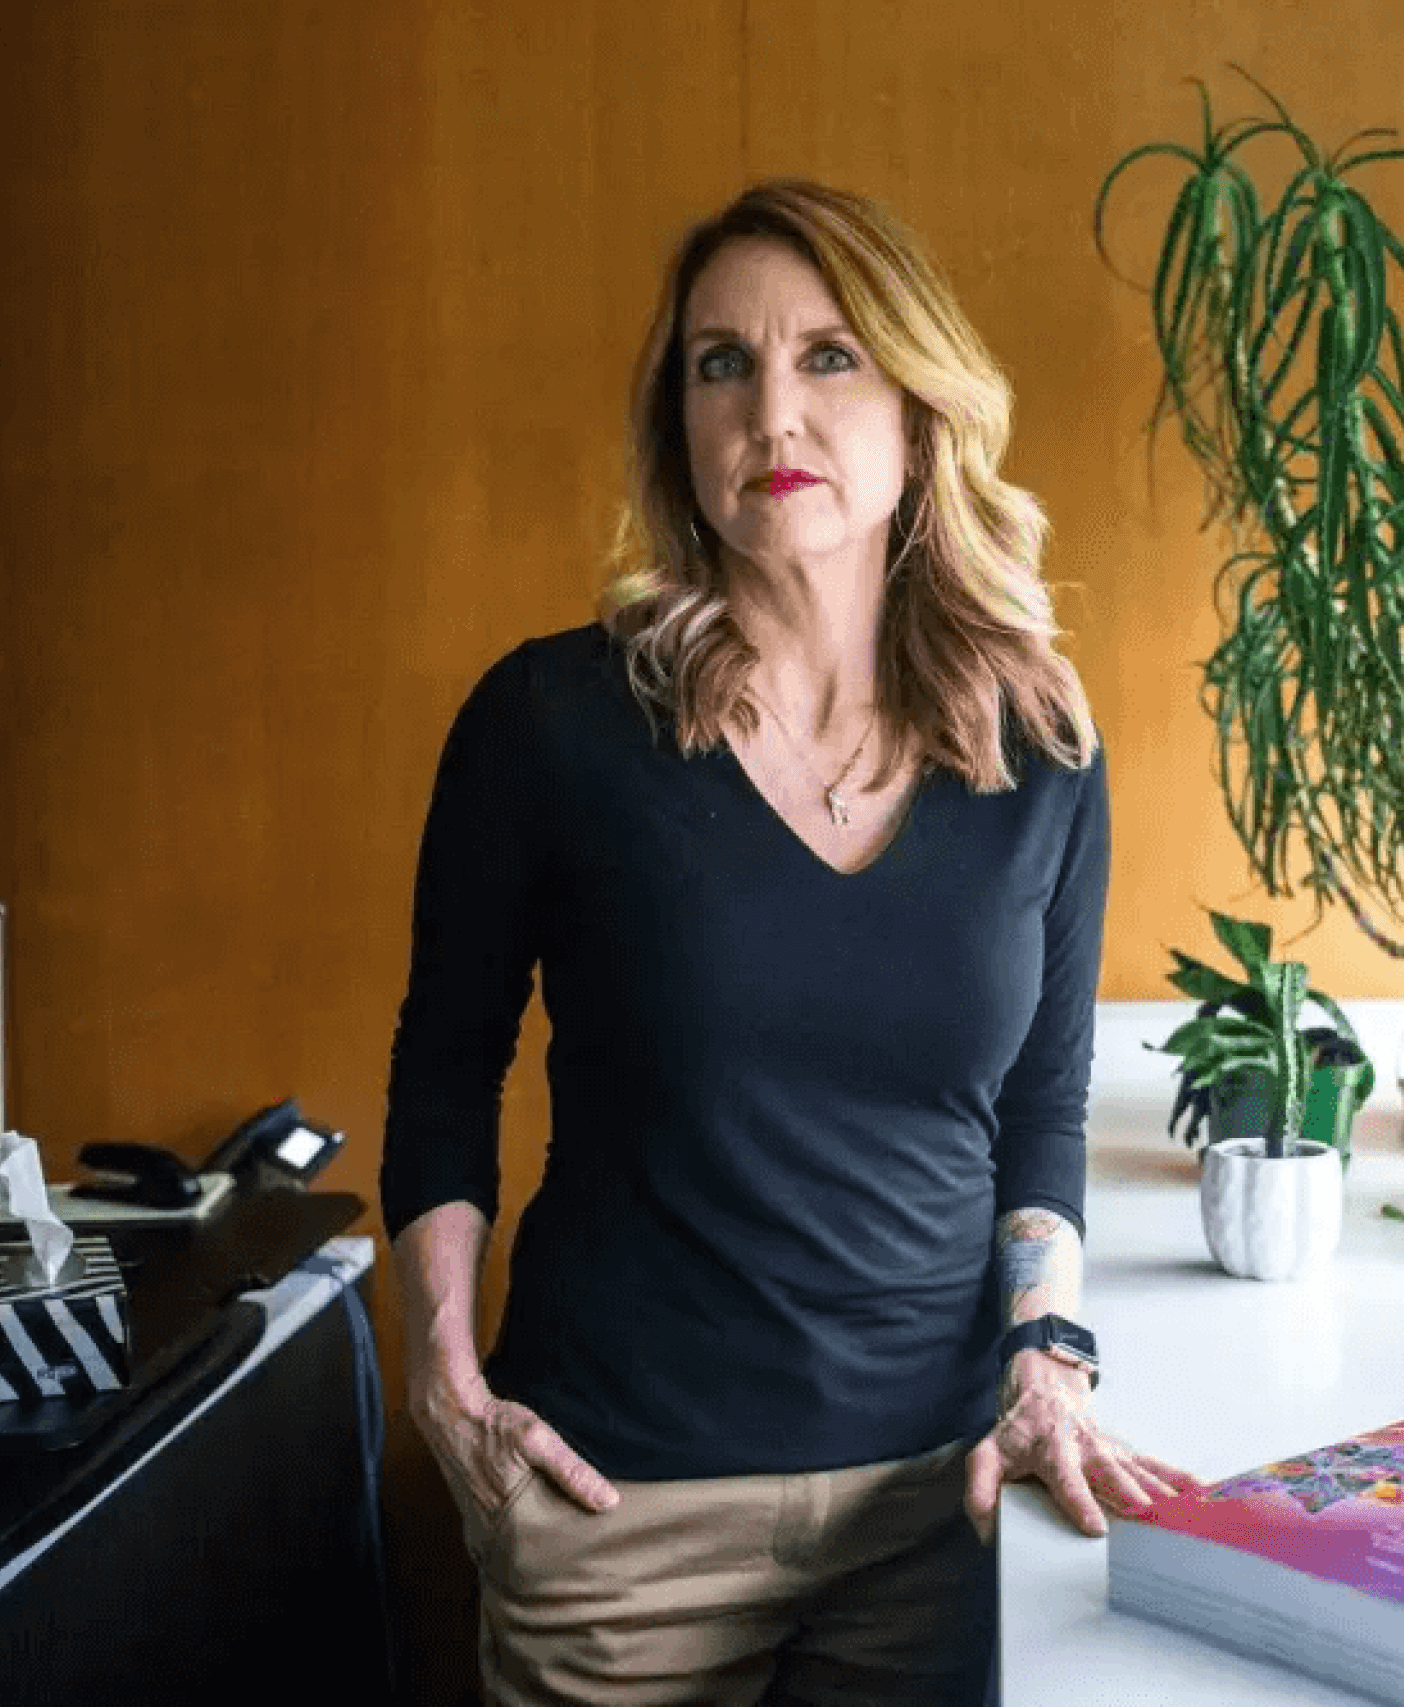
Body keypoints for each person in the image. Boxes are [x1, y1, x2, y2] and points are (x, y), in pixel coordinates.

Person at [381, 179, 1195, 1707]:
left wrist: (1048, 1360)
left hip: (934, 1512)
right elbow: (445, 1063)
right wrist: (441, 1376)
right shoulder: (550, 722)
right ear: (678, 424)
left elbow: (1041, 1112)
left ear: (918, 406)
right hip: (617, 1512)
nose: (772, 411)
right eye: (720, 365)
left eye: (829, 357)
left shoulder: (1041, 745)